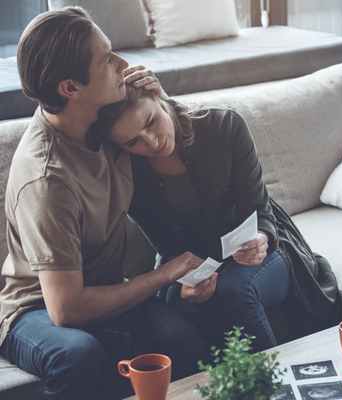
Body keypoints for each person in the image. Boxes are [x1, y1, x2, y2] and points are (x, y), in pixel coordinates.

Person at [0, 7, 209, 399]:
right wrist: (164, 274)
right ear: (70, 89)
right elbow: (66, 309)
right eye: (106, 59)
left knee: (180, 336)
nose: (122, 64)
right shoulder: (46, 177)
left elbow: (175, 139)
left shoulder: (104, 122)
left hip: (105, 290)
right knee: (78, 354)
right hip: (34, 309)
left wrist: (158, 98)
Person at [91, 83, 342, 352]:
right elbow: (167, 246)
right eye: (133, 142)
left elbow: (260, 213)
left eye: (151, 122)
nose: (151, 141)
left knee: (234, 290)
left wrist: (260, 239)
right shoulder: (127, 171)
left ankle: (267, 389)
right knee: (179, 301)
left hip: (265, 246)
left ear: (157, 96)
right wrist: (186, 281)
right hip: (194, 258)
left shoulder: (223, 124)